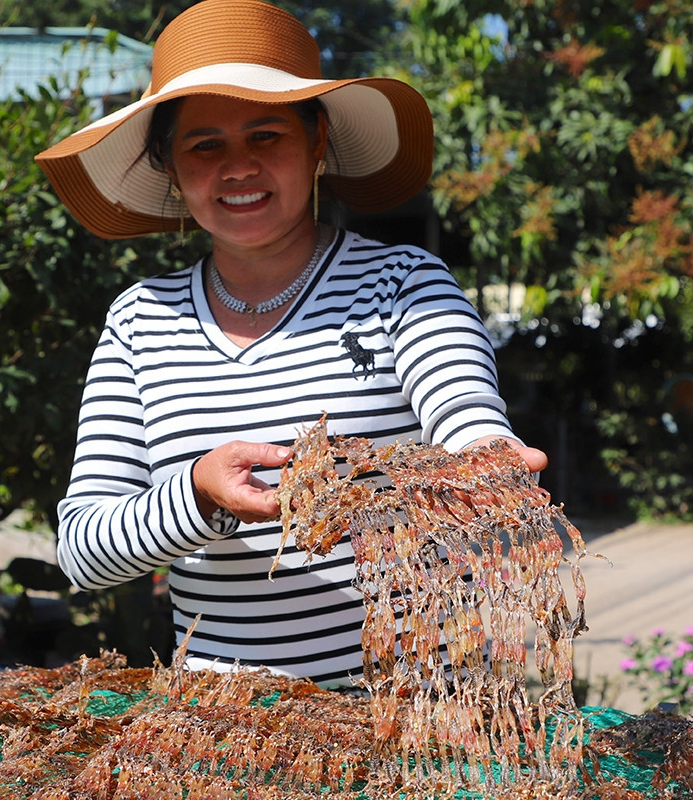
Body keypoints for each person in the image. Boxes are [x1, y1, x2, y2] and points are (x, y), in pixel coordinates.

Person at [34, 0, 546, 688]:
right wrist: (198, 497)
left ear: (316, 142)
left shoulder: (403, 284)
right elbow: (84, 551)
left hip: (418, 716)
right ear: (171, 166)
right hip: (229, 731)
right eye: (205, 145)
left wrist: (488, 461)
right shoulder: (139, 321)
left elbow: (465, 413)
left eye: (266, 135)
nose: (238, 167)